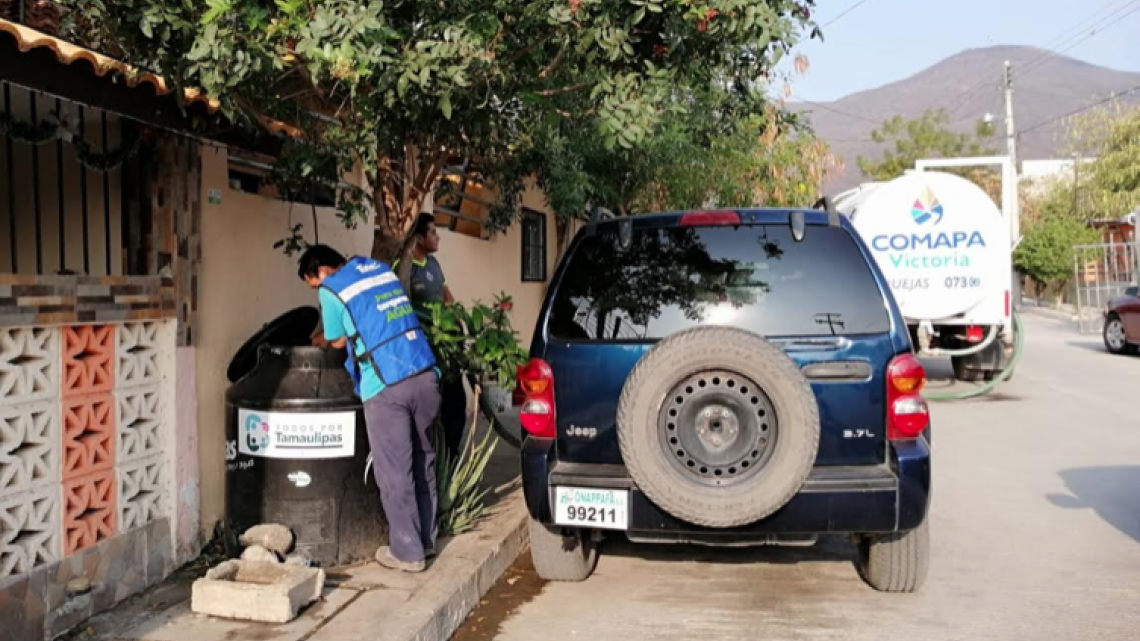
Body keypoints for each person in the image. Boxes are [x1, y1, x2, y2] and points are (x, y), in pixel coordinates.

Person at [297, 244, 440, 573]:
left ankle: (407, 553)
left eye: (314, 284)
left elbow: (337, 341)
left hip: (386, 384)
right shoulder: (377, 269)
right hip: (423, 372)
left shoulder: (332, 289)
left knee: (393, 472)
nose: (318, 290)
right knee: (423, 460)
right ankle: (426, 541)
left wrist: (318, 340)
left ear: (320, 273)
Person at [395, 214, 467, 462]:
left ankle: (452, 450)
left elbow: (445, 294)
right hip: (424, 344)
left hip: (446, 340)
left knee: (456, 397)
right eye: (433, 232)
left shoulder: (434, 264)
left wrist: (457, 320)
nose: (437, 237)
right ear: (419, 237)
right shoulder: (405, 268)